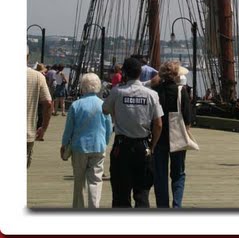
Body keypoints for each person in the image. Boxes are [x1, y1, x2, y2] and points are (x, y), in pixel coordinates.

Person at [106, 54, 162, 206]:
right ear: (140, 73)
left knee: (120, 193)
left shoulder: (117, 92)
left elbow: (105, 109)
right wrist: (153, 146)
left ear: (124, 73)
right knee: (142, 192)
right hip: (143, 146)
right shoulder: (152, 94)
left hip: (121, 146)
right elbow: (158, 124)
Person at [59, 70, 113, 208]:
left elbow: (69, 129)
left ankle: (79, 209)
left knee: (79, 181)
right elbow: (108, 129)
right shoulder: (103, 105)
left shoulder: (76, 105)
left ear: (83, 86)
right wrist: (105, 143)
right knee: (95, 180)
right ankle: (94, 208)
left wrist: (64, 145)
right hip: (98, 146)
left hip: (79, 147)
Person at [152, 59, 196, 208]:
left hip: (159, 138)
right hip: (177, 138)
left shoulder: (155, 91)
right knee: (178, 173)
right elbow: (188, 118)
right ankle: (177, 205)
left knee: (160, 175)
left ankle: (162, 206)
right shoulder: (180, 91)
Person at [27, 56, 52, 168]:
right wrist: (43, 128)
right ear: (27, 57)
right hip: (27, 133)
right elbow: (48, 103)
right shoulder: (38, 76)